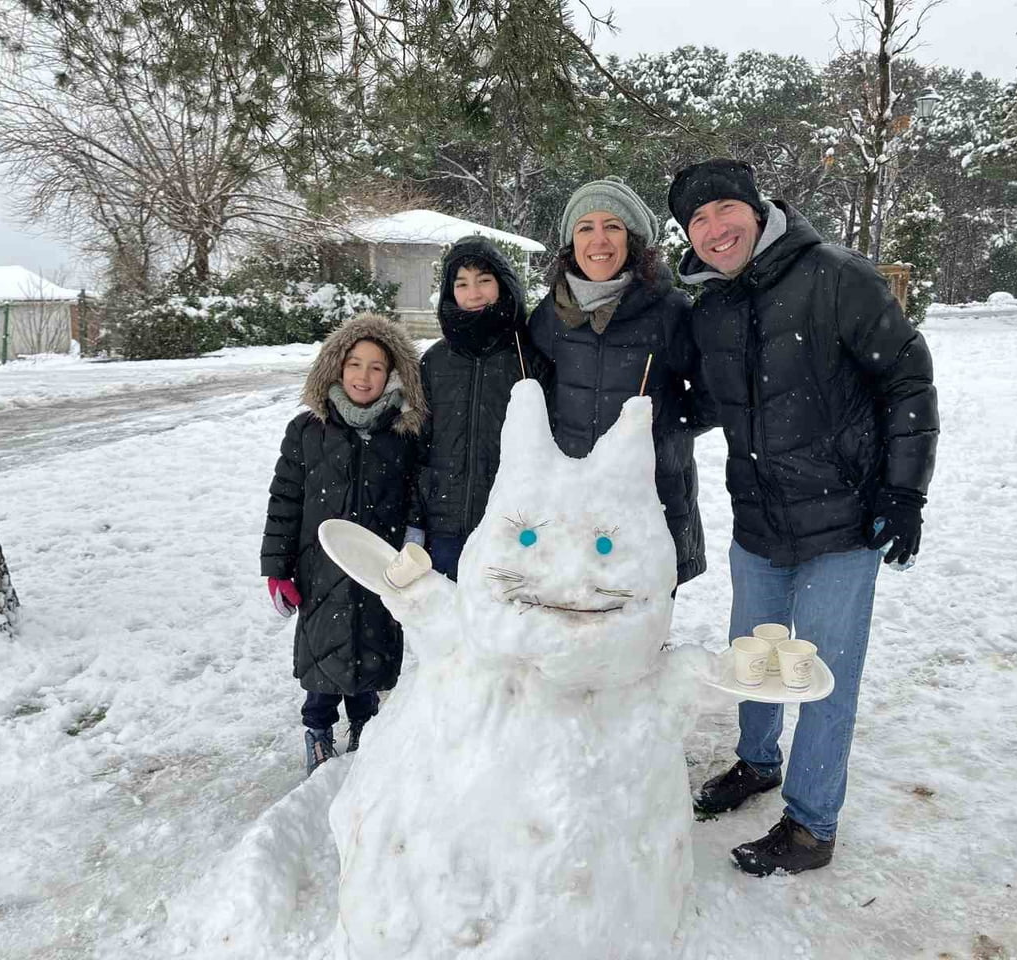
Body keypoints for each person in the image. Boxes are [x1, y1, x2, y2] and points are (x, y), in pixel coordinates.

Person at [667, 159, 938, 876]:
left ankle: (813, 825)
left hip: (843, 522)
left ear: (757, 210)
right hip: (758, 520)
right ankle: (756, 763)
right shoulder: (711, 309)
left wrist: (905, 492)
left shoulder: (835, 276)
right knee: (750, 657)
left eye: (725, 210)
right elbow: (711, 402)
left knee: (822, 675)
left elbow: (907, 377)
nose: (714, 230)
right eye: (697, 221)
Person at [260, 312, 426, 775]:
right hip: (319, 568)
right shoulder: (307, 431)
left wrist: (413, 538)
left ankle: (364, 725)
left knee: (370, 647)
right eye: (354, 363)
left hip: (377, 565)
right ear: (336, 367)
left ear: (392, 374)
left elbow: (417, 493)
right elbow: (285, 500)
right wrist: (276, 568)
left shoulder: (403, 436)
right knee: (323, 651)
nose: (364, 376)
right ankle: (317, 728)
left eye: (376, 366)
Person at [529, 176, 705, 587]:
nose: (599, 239)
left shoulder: (670, 310)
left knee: (641, 628)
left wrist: (665, 431)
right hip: (573, 495)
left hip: (648, 493)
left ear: (633, 239)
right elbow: (532, 387)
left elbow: (711, 393)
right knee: (575, 618)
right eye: (585, 228)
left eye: (612, 226)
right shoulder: (552, 312)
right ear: (571, 243)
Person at [417, 237, 549, 580]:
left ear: (503, 285)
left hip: (512, 527)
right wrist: (416, 520)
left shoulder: (528, 358)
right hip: (445, 527)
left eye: (484, 281)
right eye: (461, 283)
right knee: (447, 626)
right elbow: (418, 446)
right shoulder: (435, 361)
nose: (473, 294)